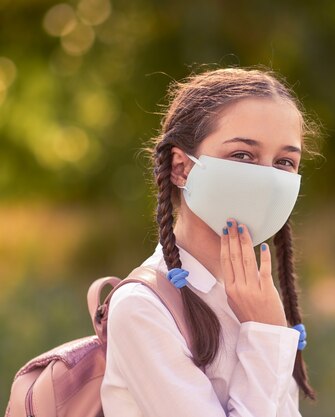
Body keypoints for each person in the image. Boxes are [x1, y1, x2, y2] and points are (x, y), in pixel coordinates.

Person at [101, 67, 319, 416]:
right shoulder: (141, 308)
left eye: (284, 162)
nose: (266, 177)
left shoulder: (255, 297)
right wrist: (264, 333)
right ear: (181, 168)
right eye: (242, 155)